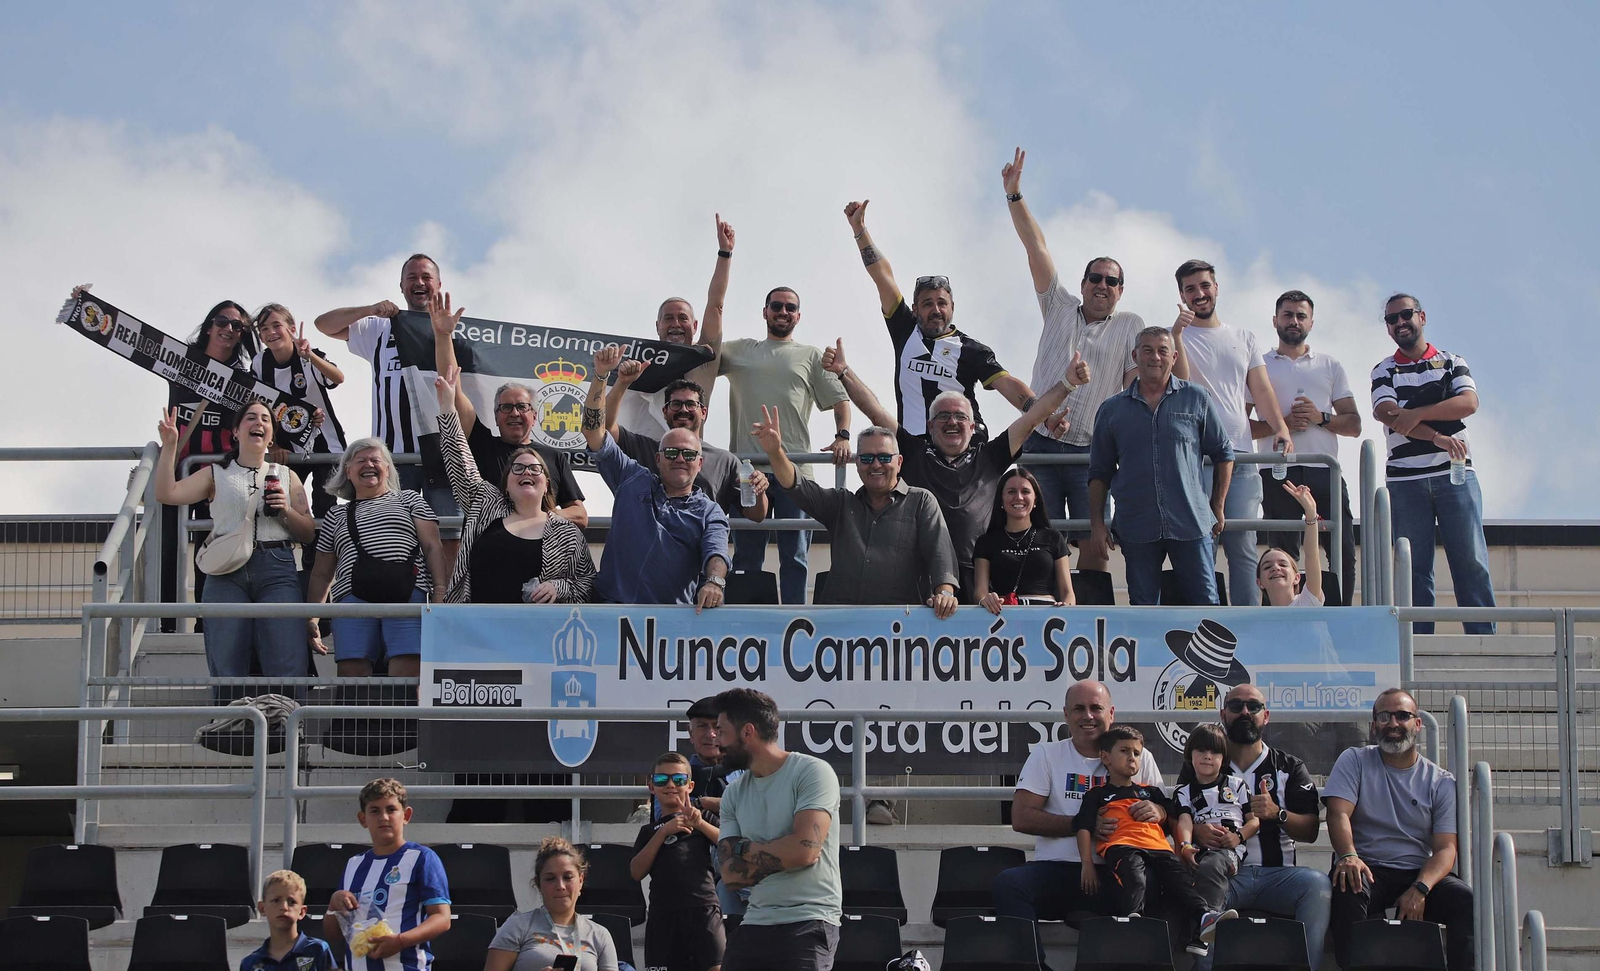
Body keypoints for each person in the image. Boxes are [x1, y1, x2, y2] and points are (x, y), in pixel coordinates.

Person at [821, 337, 1085, 600]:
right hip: (921, 576)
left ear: (972, 427)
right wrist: (844, 372)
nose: (952, 422)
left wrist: (1067, 383)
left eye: (960, 416)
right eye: (943, 416)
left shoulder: (990, 456)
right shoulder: (914, 452)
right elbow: (875, 411)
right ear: (929, 425)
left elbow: (1032, 419)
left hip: (978, 577)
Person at [1000, 148, 1152, 571]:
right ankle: (1044, 602)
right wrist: (1014, 195)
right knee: (1037, 538)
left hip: (1091, 449)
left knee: (1093, 540)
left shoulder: (1131, 325)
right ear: (1083, 284)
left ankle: (1088, 608)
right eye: (1095, 278)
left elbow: (1135, 388)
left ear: (1121, 290)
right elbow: (1035, 247)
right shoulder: (1058, 305)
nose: (1103, 285)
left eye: (1112, 281)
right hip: (1039, 441)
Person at [993, 680, 1163, 967]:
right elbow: (1020, 818)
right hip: (1058, 870)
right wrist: (1083, 824)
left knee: (1159, 882)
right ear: (1065, 714)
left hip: (1118, 870)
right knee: (1009, 883)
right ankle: (1034, 966)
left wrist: (1159, 811)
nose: (1088, 716)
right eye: (1078, 709)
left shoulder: (1140, 756)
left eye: (1096, 708)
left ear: (1111, 713)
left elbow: (1165, 812)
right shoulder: (1047, 755)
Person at [155, 401, 319, 685]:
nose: (259, 423)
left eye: (265, 420)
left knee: (286, 656)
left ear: (271, 435)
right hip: (226, 572)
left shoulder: (287, 475)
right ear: (235, 432)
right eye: (251, 418)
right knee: (226, 658)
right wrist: (170, 446)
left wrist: (286, 510)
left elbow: (308, 533)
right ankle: (229, 714)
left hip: (277, 569)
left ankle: (288, 714)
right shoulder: (215, 472)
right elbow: (167, 493)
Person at [844, 199, 1036, 438]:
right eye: (927, 304)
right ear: (915, 309)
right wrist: (859, 230)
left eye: (942, 303)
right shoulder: (905, 329)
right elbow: (882, 276)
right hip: (915, 449)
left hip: (964, 447)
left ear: (952, 307)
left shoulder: (971, 349)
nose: (936, 310)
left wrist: (1042, 414)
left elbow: (1007, 384)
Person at [1170, 260, 1295, 607]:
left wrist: (1281, 428)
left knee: (1243, 544)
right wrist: (1177, 335)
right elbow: (1178, 384)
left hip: (1241, 456)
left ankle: (1247, 621)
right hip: (1195, 457)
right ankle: (1206, 618)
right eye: (1190, 289)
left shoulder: (1244, 337)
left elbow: (1261, 389)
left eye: (1204, 286)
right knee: (1202, 543)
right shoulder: (1172, 336)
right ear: (1181, 295)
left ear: (1216, 288)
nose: (1199, 294)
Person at [1371, 292, 1496, 634]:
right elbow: (1387, 414)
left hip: (1455, 474)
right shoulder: (1384, 370)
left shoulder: (1452, 361)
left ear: (1422, 318)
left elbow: (1468, 403)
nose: (1400, 323)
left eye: (1406, 315)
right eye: (1392, 319)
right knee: (1413, 568)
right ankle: (1417, 644)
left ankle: (1483, 641)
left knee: (1471, 560)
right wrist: (1437, 436)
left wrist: (1416, 413)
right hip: (1405, 480)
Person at [749, 409, 958, 614]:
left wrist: (944, 594)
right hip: (839, 628)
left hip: (900, 626)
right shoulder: (841, 504)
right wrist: (775, 452)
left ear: (899, 462)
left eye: (884, 458)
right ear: (857, 464)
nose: (876, 465)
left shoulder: (921, 502)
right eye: (867, 458)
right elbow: (797, 486)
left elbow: (940, 557)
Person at [718, 283, 850, 605]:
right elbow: (702, 353)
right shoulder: (739, 351)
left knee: (795, 555)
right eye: (776, 306)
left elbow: (841, 401)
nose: (783, 312)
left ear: (798, 316)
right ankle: (748, 618)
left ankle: (794, 617)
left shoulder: (810, 356)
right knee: (747, 556)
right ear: (765, 312)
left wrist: (842, 436)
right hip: (749, 469)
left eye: (790, 307)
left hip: (794, 470)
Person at [1325, 689, 1474, 971]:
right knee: (1347, 885)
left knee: (1465, 900)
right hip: (1367, 867)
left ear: (1417, 724)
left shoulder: (1441, 781)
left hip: (1417, 871)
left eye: (1402, 716)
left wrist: (1421, 888)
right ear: (1373, 725)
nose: (1393, 723)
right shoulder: (1354, 760)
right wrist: (1349, 855)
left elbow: (1445, 848)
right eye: (1384, 716)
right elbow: (1338, 813)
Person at [312, 254, 460, 532]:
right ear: (401, 286)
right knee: (393, 536)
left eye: (426, 277)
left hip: (442, 454)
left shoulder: (454, 329)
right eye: (412, 278)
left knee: (447, 535)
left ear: (439, 284)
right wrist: (370, 309)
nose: (419, 283)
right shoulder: (381, 327)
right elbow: (324, 324)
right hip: (392, 458)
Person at [1086, 326, 1234, 605]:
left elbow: (1224, 453)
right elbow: (1099, 472)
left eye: (1163, 350)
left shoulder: (1197, 398)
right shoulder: (1111, 409)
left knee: (1206, 605)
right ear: (1135, 356)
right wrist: (1097, 524)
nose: (1155, 357)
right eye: (1148, 350)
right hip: (1137, 526)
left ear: (1174, 357)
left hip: (1192, 522)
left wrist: (1217, 506)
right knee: (1143, 609)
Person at [1191, 683, 1331, 971]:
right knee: (1199, 889)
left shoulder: (1289, 766)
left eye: (1253, 707)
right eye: (1236, 706)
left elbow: (1310, 830)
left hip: (1278, 877)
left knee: (1317, 886)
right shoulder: (1204, 763)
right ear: (1223, 714)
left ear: (1265, 716)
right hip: (1226, 877)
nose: (1245, 712)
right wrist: (1195, 830)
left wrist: (1278, 813)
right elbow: (1176, 814)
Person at [581, 347, 730, 608]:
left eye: (688, 454)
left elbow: (716, 552)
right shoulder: (631, 477)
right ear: (658, 458)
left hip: (669, 622)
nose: (680, 458)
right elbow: (594, 431)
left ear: (700, 463)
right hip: (609, 611)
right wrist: (601, 375)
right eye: (671, 452)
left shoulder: (709, 511)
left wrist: (715, 582)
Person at [433, 365, 595, 604]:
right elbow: (458, 460)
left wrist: (558, 587)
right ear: (506, 484)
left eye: (535, 469)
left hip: (537, 625)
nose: (526, 472)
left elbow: (587, 583)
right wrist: (447, 406)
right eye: (517, 468)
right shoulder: (486, 505)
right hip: (477, 622)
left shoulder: (564, 532)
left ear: (547, 484)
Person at [427, 292, 589, 527]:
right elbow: (453, 388)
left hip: (541, 548)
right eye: (506, 407)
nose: (514, 413)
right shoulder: (481, 444)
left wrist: (537, 516)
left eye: (522, 406)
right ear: (496, 417)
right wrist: (443, 337)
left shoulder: (554, 457)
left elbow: (580, 515)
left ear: (534, 416)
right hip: (489, 545)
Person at [713, 688, 842, 971]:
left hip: (809, 921)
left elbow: (804, 852)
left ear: (747, 732)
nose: (716, 740)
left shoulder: (812, 772)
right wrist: (784, 851)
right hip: (754, 922)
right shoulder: (733, 793)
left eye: (721, 731)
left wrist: (744, 848)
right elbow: (730, 875)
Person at [1075, 726, 1236, 948]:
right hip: (1122, 846)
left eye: (1136, 753)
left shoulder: (1151, 792)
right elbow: (1083, 827)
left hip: (1159, 848)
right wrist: (1087, 865)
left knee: (1180, 881)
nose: (1131, 758)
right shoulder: (1097, 794)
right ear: (1105, 758)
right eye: (1124, 751)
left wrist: (1181, 849)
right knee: (1134, 875)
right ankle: (1133, 920)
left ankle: (1205, 916)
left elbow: (1174, 819)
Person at [306, 440, 447, 679]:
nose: (368, 465)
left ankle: (402, 708)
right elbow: (322, 573)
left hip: (407, 593)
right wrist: (312, 617)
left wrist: (439, 591)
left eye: (375, 460)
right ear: (348, 471)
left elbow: (433, 547)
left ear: (388, 469)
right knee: (351, 670)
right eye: (360, 461)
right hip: (352, 596)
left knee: (408, 668)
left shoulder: (410, 500)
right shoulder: (336, 514)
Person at [1254, 290, 1359, 605]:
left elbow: (1354, 424)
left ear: (1311, 322)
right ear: (1275, 320)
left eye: (1301, 316)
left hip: (1324, 470)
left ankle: (1338, 617)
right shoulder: (1259, 365)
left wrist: (1320, 418)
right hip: (1277, 469)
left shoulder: (1330, 365)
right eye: (1287, 315)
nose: (1294, 321)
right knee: (1282, 553)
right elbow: (1241, 425)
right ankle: (1282, 618)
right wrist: (1282, 423)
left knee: (1341, 550)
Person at [158, 299, 257, 625]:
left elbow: (273, 414)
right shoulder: (181, 361)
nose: (229, 329)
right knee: (168, 546)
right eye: (222, 322)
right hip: (178, 468)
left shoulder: (245, 380)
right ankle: (167, 623)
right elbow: (130, 340)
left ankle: (207, 623)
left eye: (237, 326)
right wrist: (83, 305)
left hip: (219, 475)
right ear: (209, 326)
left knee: (211, 548)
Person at [604, 367, 771, 525]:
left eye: (691, 404)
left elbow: (756, 515)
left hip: (703, 543)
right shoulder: (644, 448)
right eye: (676, 404)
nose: (683, 410)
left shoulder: (725, 461)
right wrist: (622, 383)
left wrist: (759, 491)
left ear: (703, 412)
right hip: (650, 542)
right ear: (665, 411)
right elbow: (604, 427)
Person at [616, 214, 734, 436]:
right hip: (642, 454)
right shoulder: (639, 364)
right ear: (658, 326)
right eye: (668, 318)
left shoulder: (703, 362)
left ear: (695, 325)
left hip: (688, 454)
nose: (676, 324)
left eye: (683, 318)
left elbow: (716, 305)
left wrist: (724, 253)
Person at [325, 779, 451, 969]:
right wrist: (333, 905)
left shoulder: (422, 858)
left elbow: (442, 918)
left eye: (391, 809)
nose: (383, 817)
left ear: (406, 815)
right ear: (363, 819)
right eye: (375, 811)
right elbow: (333, 934)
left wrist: (400, 941)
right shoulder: (354, 864)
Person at [251, 303, 348, 529]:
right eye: (264, 329)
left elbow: (338, 378)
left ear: (292, 328)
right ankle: (302, 548)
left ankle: (325, 549)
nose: (271, 332)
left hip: (326, 443)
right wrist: (273, 446)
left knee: (325, 506)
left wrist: (310, 356)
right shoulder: (260, 363)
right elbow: (257, 407)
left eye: (277, 325)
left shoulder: (310, 355)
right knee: (287, 506)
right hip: (288, 448)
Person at [631, 752, 724, 971]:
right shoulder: (649, 831)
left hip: (703, 909)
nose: (671, 785)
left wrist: (700, 824)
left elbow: (729, 843)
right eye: (662, 779)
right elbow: (636, 872)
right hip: (663, 915)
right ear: (652, 786)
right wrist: (663, 832)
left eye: (679, 779)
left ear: (690, 786)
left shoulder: (702, 818)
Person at [1171, 724, 1255, 957]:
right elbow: (1184, 821)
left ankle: (1203, 931)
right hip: (1198, 852)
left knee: (1211, 866)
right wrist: (1186, 846)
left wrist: (1238, 837)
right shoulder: (1184, 791)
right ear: (1190, 755)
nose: (1207, 756)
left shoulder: (1237, 785)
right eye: (1201, 750)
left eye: (1215, 752)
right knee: (1173, 877)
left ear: (1224, 758)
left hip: (1228, 854)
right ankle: (1179, 943)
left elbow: (1254, 822)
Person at [487, 838, 620, 971]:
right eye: (550, 879)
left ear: (580, 881)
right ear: (539, 884)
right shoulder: (518, 926)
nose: (560, 886)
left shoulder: (599, 935)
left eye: (568, 877)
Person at [974, 467, 1075, 611]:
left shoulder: (1053, 538)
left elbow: (1067, 593)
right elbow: (980, 592)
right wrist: (986, 600)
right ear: (1001, 499)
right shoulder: (986, 541)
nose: (1019, 497)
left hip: (1046, 615)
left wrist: (1065, 608)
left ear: (1035, 500)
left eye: (1025, 491)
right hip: (1003, 614)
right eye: (1011, 492)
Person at [242, 869, 336, 971]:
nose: (284, 907)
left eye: (292, 902)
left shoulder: (318, 950)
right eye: (276, 900)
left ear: (302, 911)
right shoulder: (250, 963)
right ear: (262, 908)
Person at [1258, 483, 1326, 606]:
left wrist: (1310, 512)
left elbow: (1312, 556)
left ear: (1297, 578)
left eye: (1283, 564)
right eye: (1267, 567)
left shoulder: (1307, 602)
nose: (1276, 568)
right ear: (1259, 583)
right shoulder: (1258, 617)